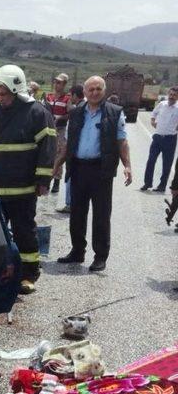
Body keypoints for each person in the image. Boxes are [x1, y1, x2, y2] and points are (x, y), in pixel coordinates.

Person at [0, 64, 56, 294]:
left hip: (23, 190)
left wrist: (43, 181)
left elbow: (48, 148)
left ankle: (28, 274)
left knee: (24, 233)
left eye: (4, 94)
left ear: (17, 90)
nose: (0, 99)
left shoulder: (38, 113)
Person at [56, 76, 132, 272]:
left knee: (101, 215)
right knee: (77, 213)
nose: (95, 92)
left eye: (98, 88)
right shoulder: (76, 113)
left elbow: (121, 142)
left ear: (104, 91)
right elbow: (67, 143)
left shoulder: (115, 113)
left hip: (101, 170)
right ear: (85, 92)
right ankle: (77, 251)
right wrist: (57, 165)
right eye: (91, 89)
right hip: (79, 168)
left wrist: (127, 165)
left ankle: (100, 256)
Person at [141, 86, 178, 193]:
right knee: (151, 160)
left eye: (174, 95)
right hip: (157, 138)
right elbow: (154, 113)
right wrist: (152, 121)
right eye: (170, 94)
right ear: (168, 94)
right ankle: (147, 183)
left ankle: (162, 185)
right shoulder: (162, 104)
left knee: (167, 164)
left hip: (170, 139)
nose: (172, 97)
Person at [56, 84, 85, 214]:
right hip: (80, 150)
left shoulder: (76, 110)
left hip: (74, 150)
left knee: (70, 178)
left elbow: (71, 133)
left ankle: (70, 205)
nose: (69, 97)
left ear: (74, 95)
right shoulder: (85, 108)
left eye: (70, 94)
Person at [45, 73, 73, 194]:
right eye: (55, 82)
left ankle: (56, 181)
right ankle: (45, 180)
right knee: (45, 154)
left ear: (64, 84)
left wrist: (61, 118)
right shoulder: (48, 96)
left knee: (59, 155)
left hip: (60, 130)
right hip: (47, 129)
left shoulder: (67, 99)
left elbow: (70, 113)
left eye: (59, 82)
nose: (56, 84)